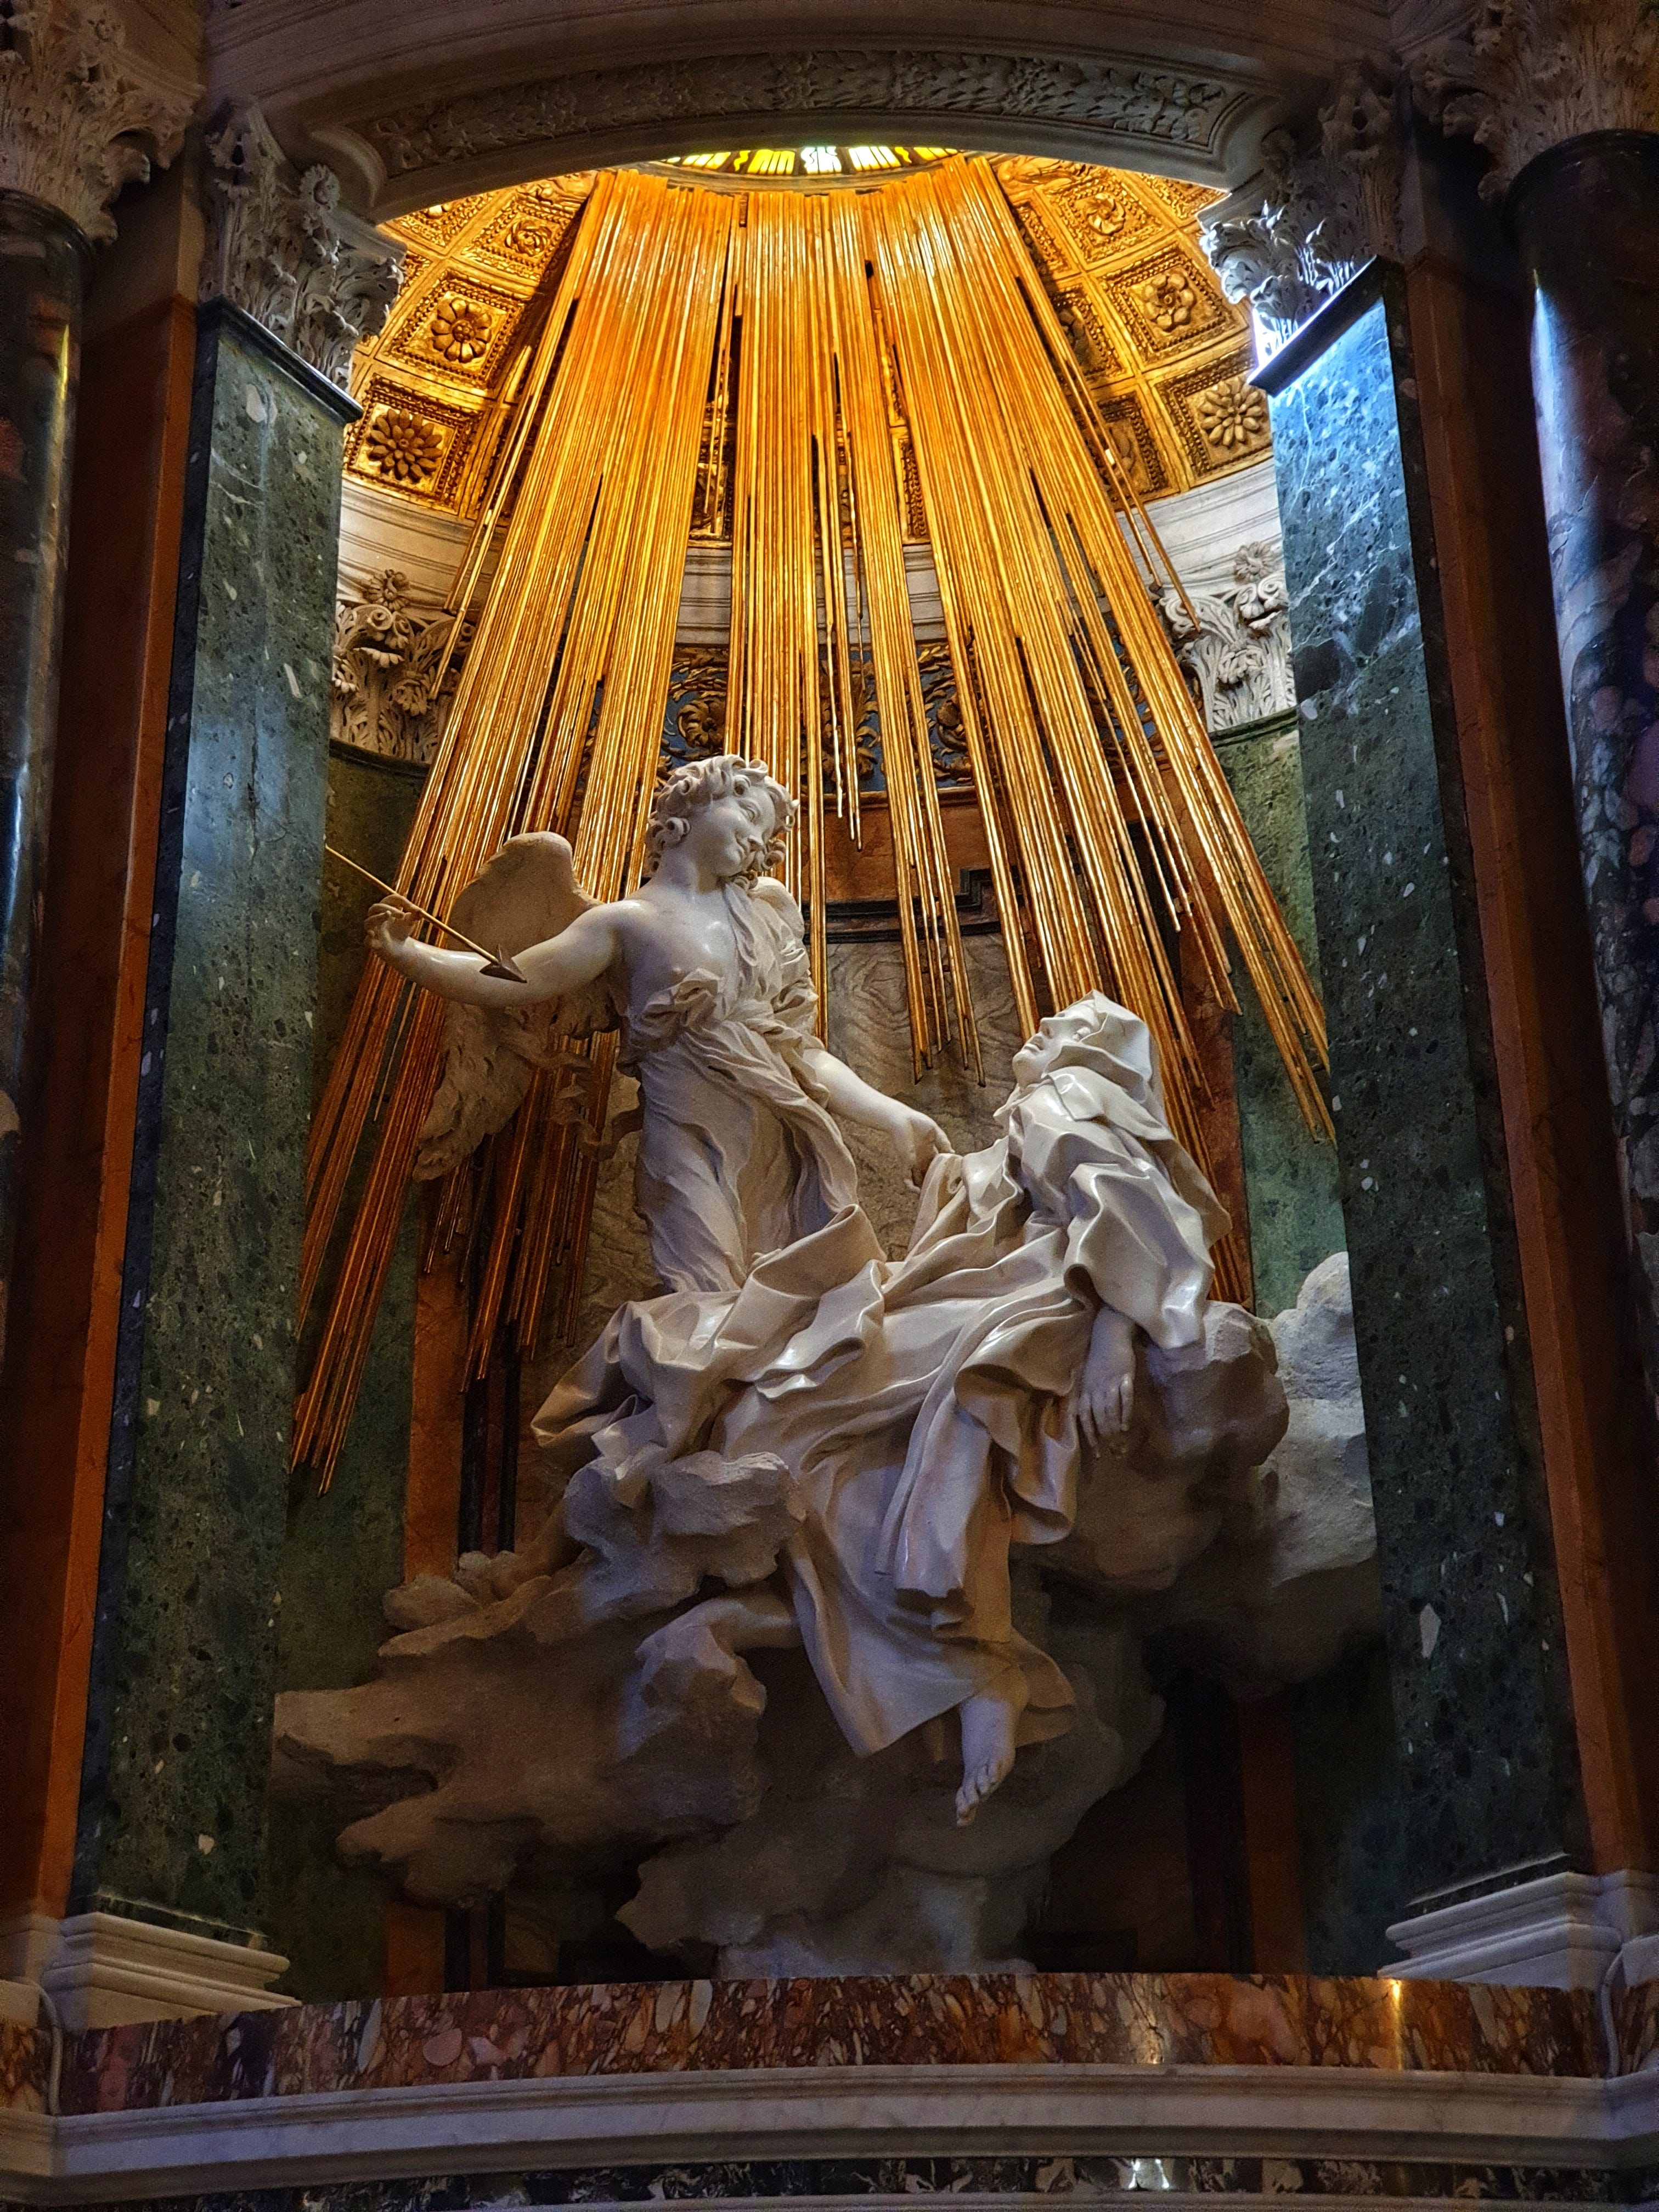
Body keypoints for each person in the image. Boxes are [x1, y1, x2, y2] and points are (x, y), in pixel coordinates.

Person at [367, 754, 1220, 1821]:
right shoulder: (629, 925)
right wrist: (414, 957)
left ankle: (754, 1489)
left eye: (772, 829)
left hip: (785, 1140)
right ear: (684, 814)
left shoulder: (770, 913)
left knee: (794, 1336)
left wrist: (892, 1117)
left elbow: (806, 1055)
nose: (764, 844)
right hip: (690, 1139)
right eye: (748, 818)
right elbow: (520, 976)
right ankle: (678, 1497)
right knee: (703, 1320)